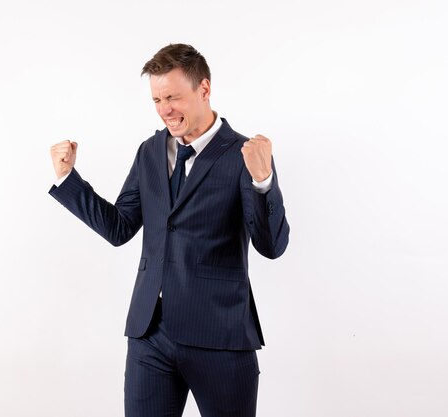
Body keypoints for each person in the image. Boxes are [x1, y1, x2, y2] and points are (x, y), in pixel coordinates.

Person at [49, 43, 289, 417]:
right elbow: (120, 228)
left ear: (204, 90)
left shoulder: (244, 154)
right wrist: (68, 179)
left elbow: (272, 246)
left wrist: (263, 181)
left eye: (173, 97)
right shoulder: (149, 150)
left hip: (220, 335)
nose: (165, 110)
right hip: (150, 334)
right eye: (157, 99)